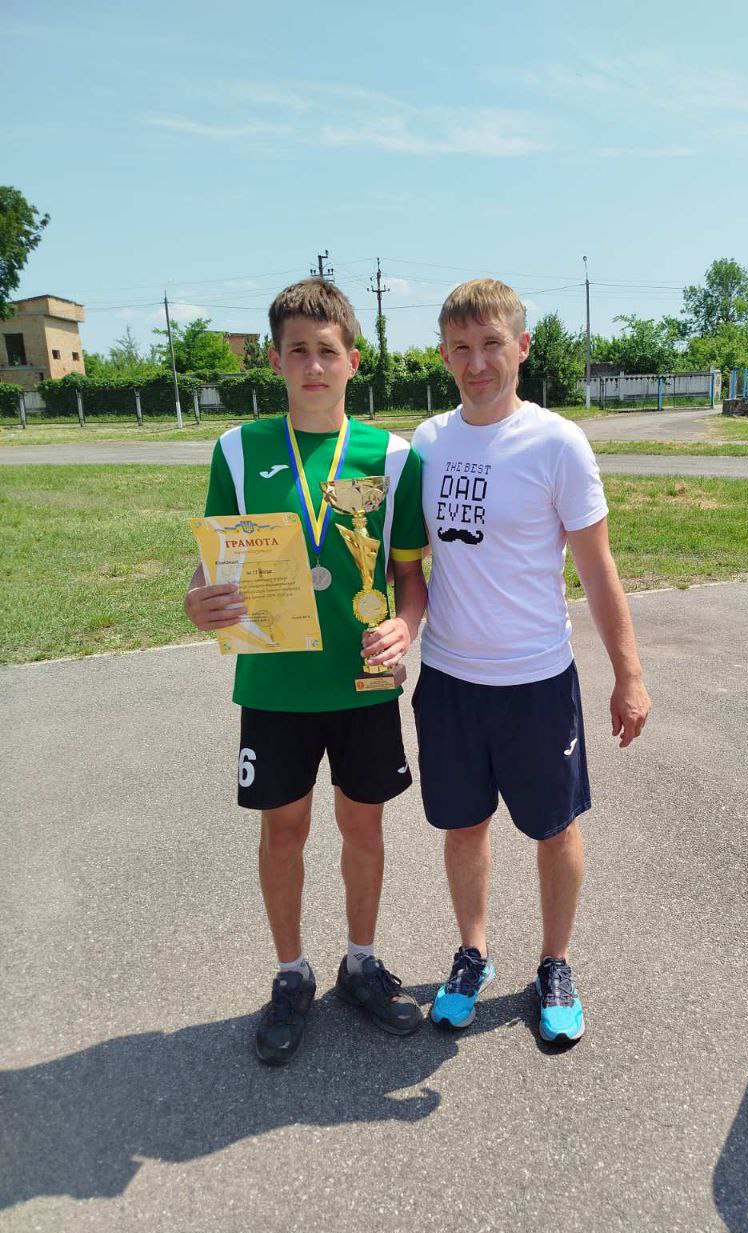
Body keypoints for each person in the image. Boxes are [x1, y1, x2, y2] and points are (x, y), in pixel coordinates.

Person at [185, 279, 428, 1064]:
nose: (314, 366)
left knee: (364, 825)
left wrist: (405, 625)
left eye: (328, 352)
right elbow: (210, 568)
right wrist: (196, 602)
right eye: (298, 352)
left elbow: (409, 575)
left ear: (353, 361)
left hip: (363, 681)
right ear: (276, 361)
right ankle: (291, 973)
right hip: (276, 684)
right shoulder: (238, 449)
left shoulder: (393, 457)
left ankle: (361, 962)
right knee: (283, 828)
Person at [412, 278, 651, 1044]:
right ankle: (473, 953)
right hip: (450, 681)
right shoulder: (426, 444)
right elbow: (403, 561)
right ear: (444, 354)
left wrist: (629, 674)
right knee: (463, 827)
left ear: (521, 346)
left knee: (554, 828)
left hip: (537, 682)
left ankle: (555, 962)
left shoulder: (557, 443)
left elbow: (598, 570)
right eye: (461, 347)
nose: (477, 362)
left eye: (491, 344)